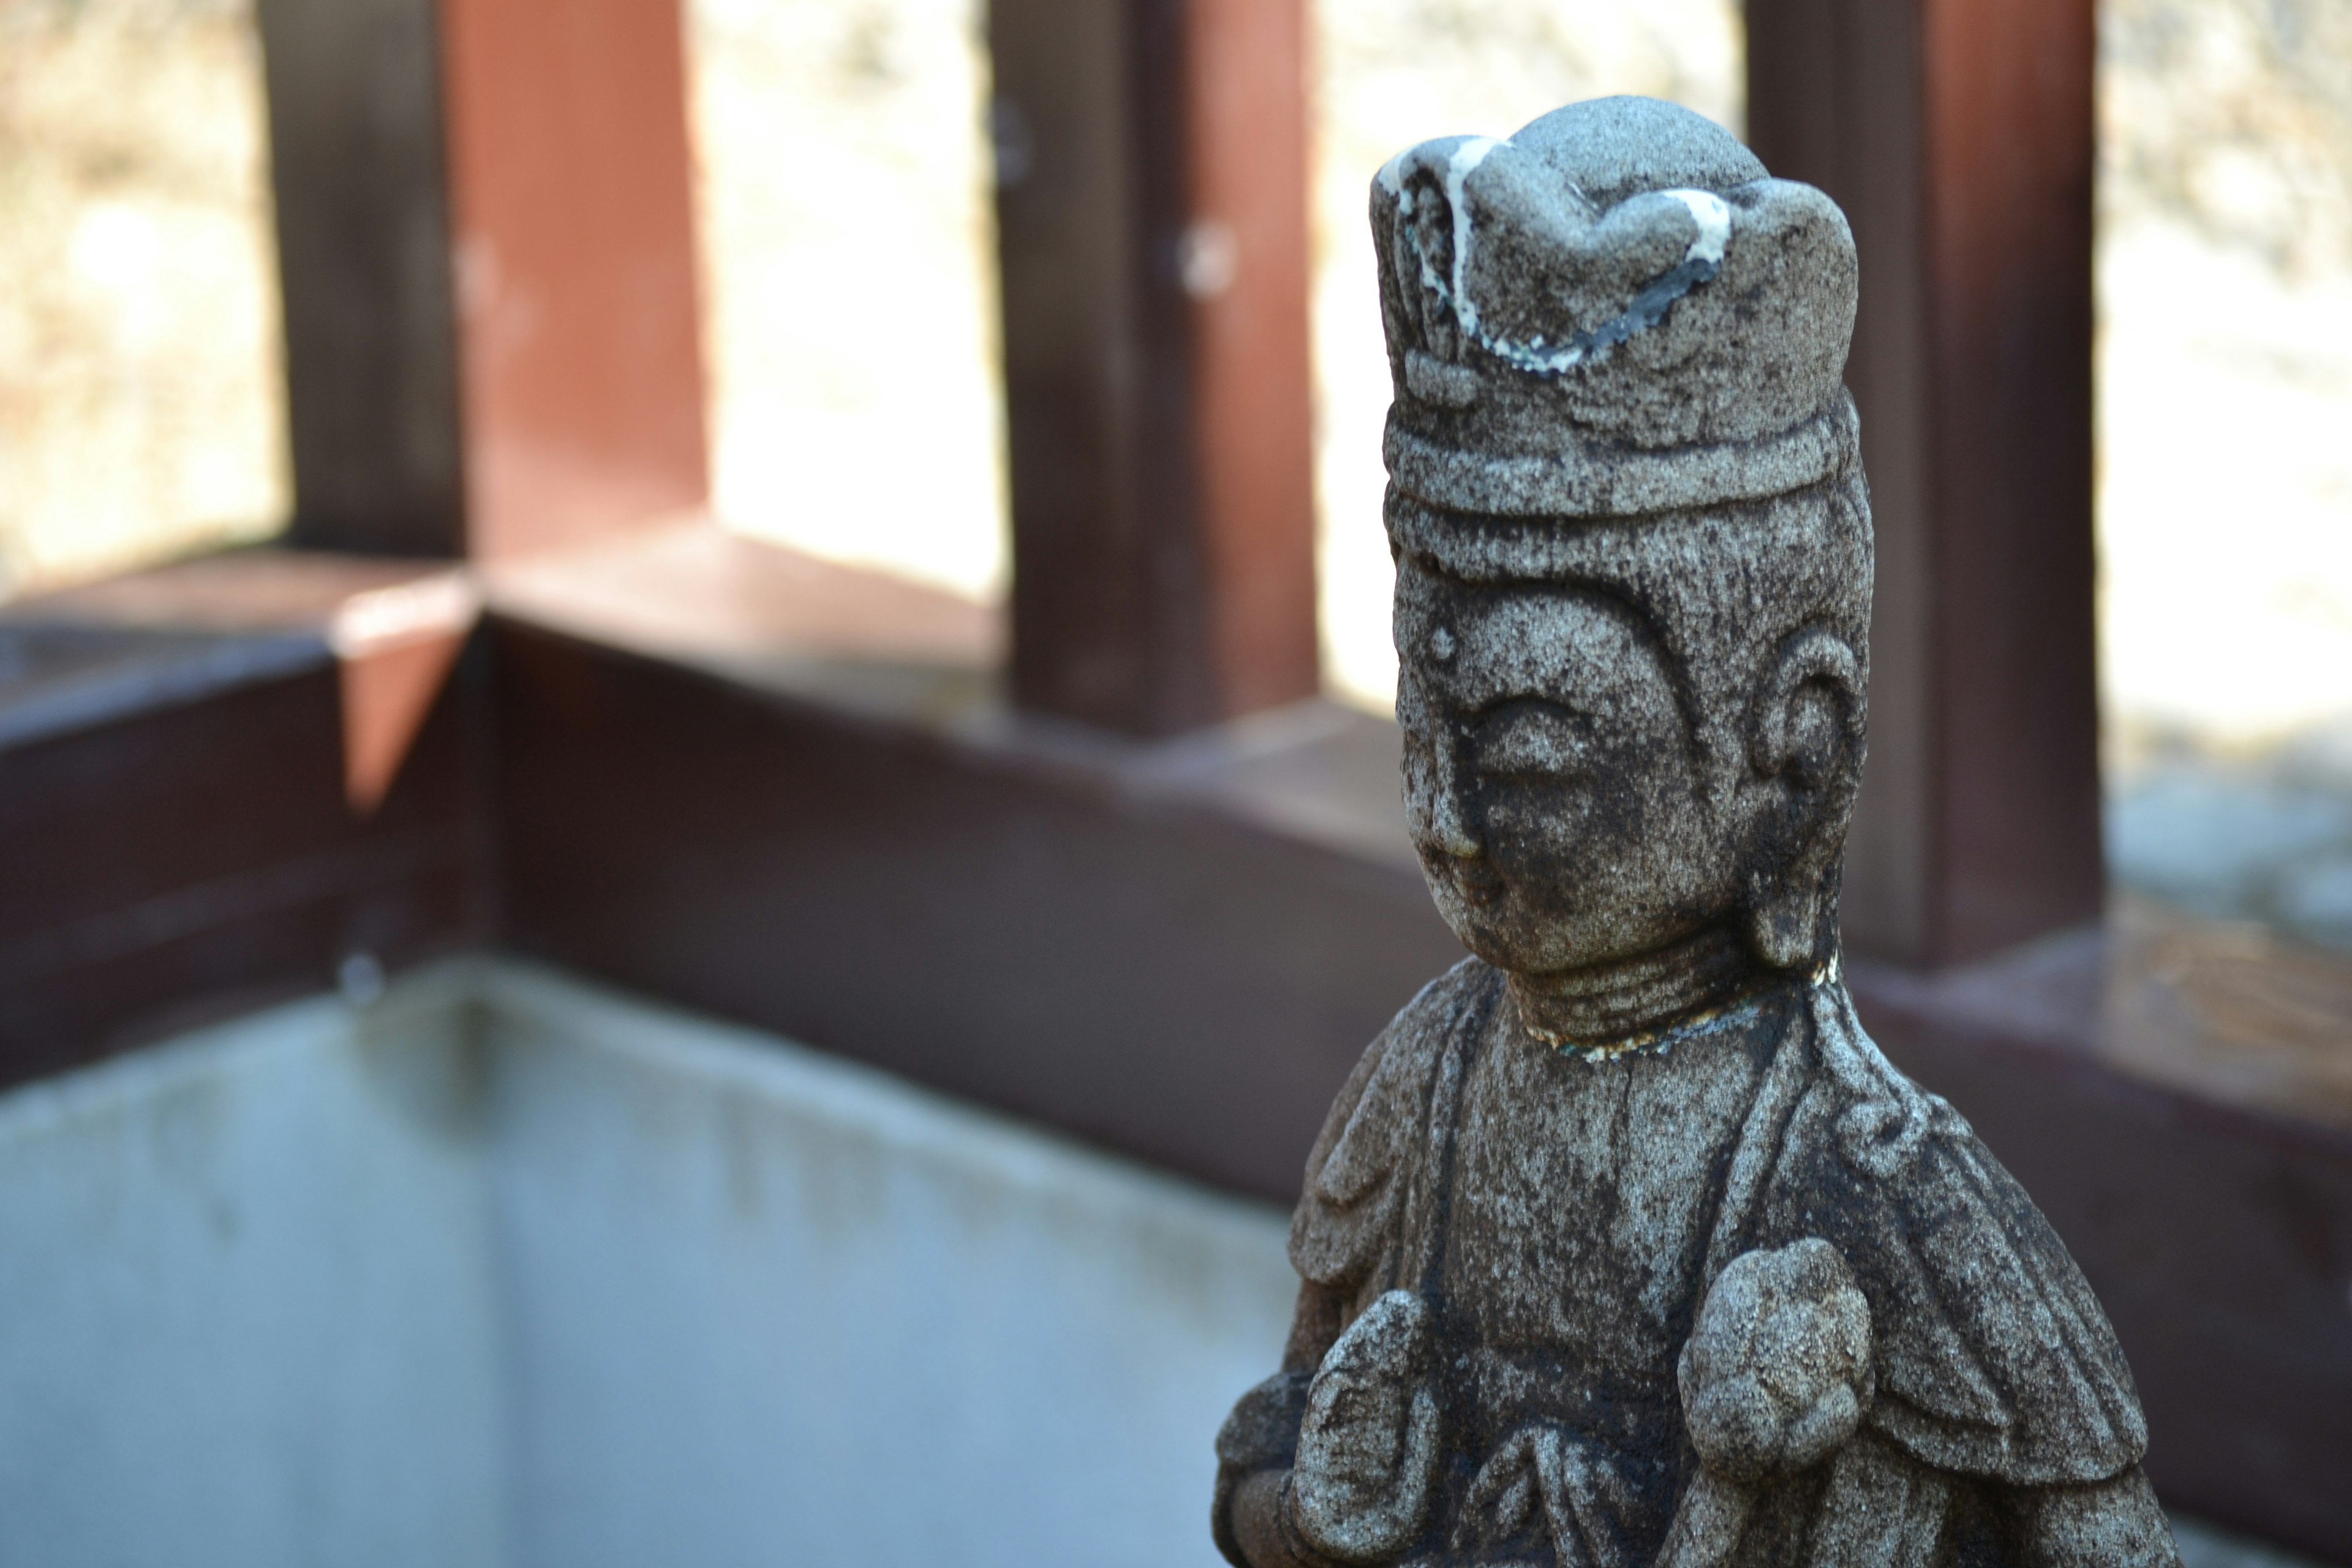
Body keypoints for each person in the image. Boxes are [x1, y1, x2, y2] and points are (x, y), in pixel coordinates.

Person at [1210, 97, 2180, 1568]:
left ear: (1789, 763)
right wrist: (1315, 1515)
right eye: (1425, 721)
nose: (1443, 814)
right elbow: (1261, 1470)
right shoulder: (1424, 1090)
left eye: (1527, 753)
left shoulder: (1878, 1190)